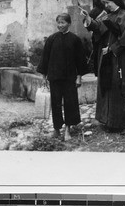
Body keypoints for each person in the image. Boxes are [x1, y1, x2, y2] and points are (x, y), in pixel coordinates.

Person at [81, 0, 125, 134]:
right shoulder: (107, 15)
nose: (105, 5)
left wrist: (113, 48)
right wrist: (88, 18)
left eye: (107, 3)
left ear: (116, 1)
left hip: (120, 58)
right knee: (107, 86)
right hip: (106, 56)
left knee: (120, 87)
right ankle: (108, 120)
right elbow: (98, 28)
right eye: (104, 3)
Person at [37, 13, 88, 141]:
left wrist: (79, 77)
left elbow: (80, 60)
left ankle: (67, 129)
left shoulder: (75, 40)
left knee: (70, 103)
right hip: (54, 78)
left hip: (70, 78)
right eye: (58, 23)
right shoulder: (51, 39)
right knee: (56, 104)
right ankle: (56, 129)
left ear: (69, 23)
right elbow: (45, 59)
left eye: (63, 23)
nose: (60, 25)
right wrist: (44, 77)